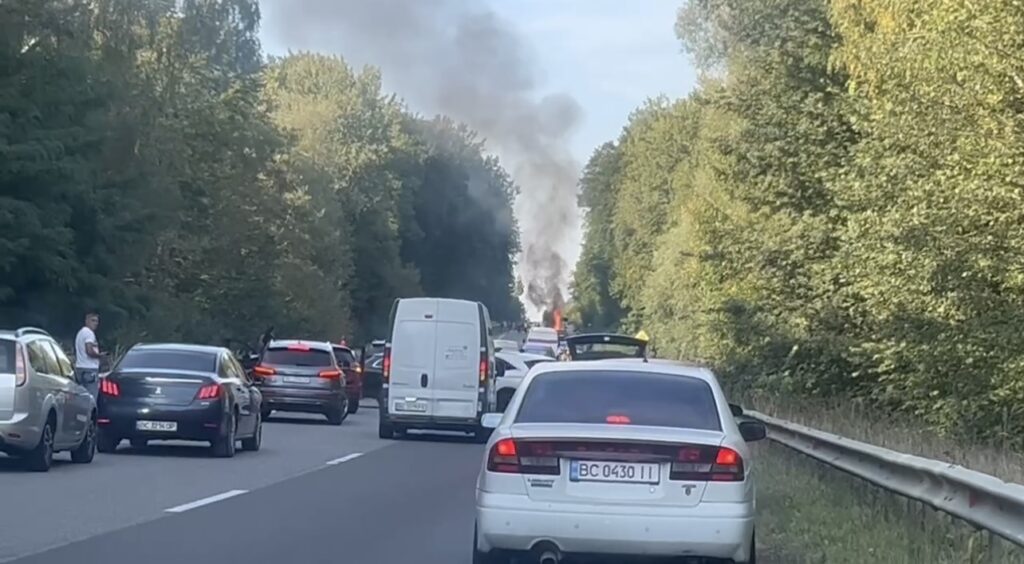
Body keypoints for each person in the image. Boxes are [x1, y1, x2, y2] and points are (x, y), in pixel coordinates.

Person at [74, 312, 103, 400]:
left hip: (79, 367)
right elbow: (89, 351)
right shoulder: (89, 333)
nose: (95, 323)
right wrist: (100, 356)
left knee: (81, 397)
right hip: (90, 369)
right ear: (86, 321)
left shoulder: (80, 333)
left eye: (97, 321)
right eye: (93, 320)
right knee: (91, 398)